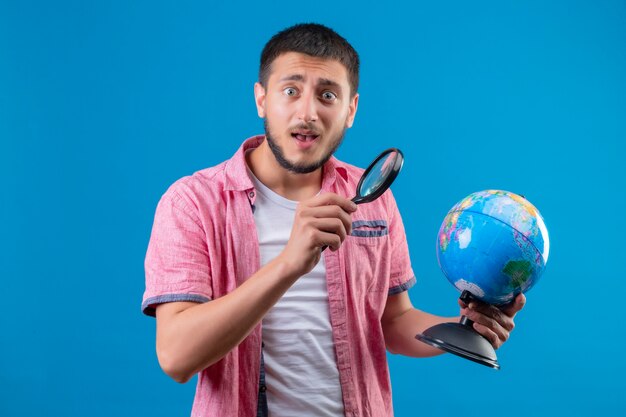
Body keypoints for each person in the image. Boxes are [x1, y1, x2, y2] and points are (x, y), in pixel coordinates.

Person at [141, 23, 525, 417]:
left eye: (327, 95)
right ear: (261, 100)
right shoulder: (192, 202)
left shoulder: (373, 198)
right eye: (290, 91)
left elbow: (394, 320)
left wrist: (462, 330)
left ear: (350, 110)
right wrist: (290, 263)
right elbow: (176, 356)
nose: (307, 112)